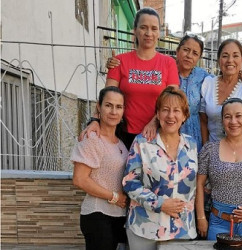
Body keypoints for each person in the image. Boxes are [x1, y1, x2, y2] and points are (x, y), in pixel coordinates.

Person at [107, 34, 242, 151]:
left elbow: (223, 78)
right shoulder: (165, 69)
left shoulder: (205, 78)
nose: (189, 55)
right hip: (165, 129)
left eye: (195, 53)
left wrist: (240, 73)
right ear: (177, 51)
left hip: (194, 136)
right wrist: (113, 63)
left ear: (199, 58)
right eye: (186, 50)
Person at [81, 7, 179, 150]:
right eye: (143, 27)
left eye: (154, 28)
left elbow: (173, 100)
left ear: (159, 33)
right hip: (122, 134)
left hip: (157, 133)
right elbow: (106, 98)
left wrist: (155, 121)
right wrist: (95, 120)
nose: (149, 33)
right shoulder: (119, 61)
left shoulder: (168, 63)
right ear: (135, 30)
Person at [122, 86, 198, 250]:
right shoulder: (142, 142)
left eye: (177, 110)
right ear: (157, 114)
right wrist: (159, 203)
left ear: (184, 116)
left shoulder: (192, 145)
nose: (171, 116)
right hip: (145, 228)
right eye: (165, 110)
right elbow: (129, 182)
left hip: (182, 230)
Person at [196, 98, 242, 241]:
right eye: (227, 117)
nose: (233, 121)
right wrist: (201, 217)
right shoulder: (210, 150)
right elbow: (199, 184)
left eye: (238, 116)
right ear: (222, 121)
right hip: (218, 220)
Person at [71, 86, 128, 250]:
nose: (113, 111)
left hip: (118, 216)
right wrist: (115, 197)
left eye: (118, 107)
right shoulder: (91, 139)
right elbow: (80, 179)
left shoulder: (121, 142)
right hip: (98, 214)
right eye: (108, 105)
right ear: (99, 107)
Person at [199, 39, 242, 145]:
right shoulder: (208, 84)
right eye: (225, 56)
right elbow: (203, 121)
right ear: (218, 60)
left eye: (235, 56)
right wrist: (206, 148)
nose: (230, 60)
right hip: (213, 151)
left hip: (241, 152)